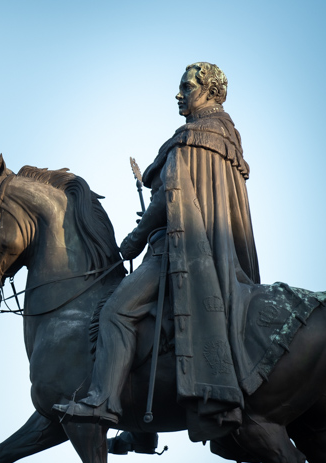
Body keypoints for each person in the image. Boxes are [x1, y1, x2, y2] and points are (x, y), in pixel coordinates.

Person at [55, 62, 259, 439]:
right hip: (208, 254)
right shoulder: (226, 140)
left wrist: (136, 236)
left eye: (187, 87)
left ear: (210, 92)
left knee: (115, 312)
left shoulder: (191, 138)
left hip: (176, 254)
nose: (179, 94)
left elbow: (170, 196)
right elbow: (188, 200)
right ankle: (141, 432)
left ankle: (103, 399)